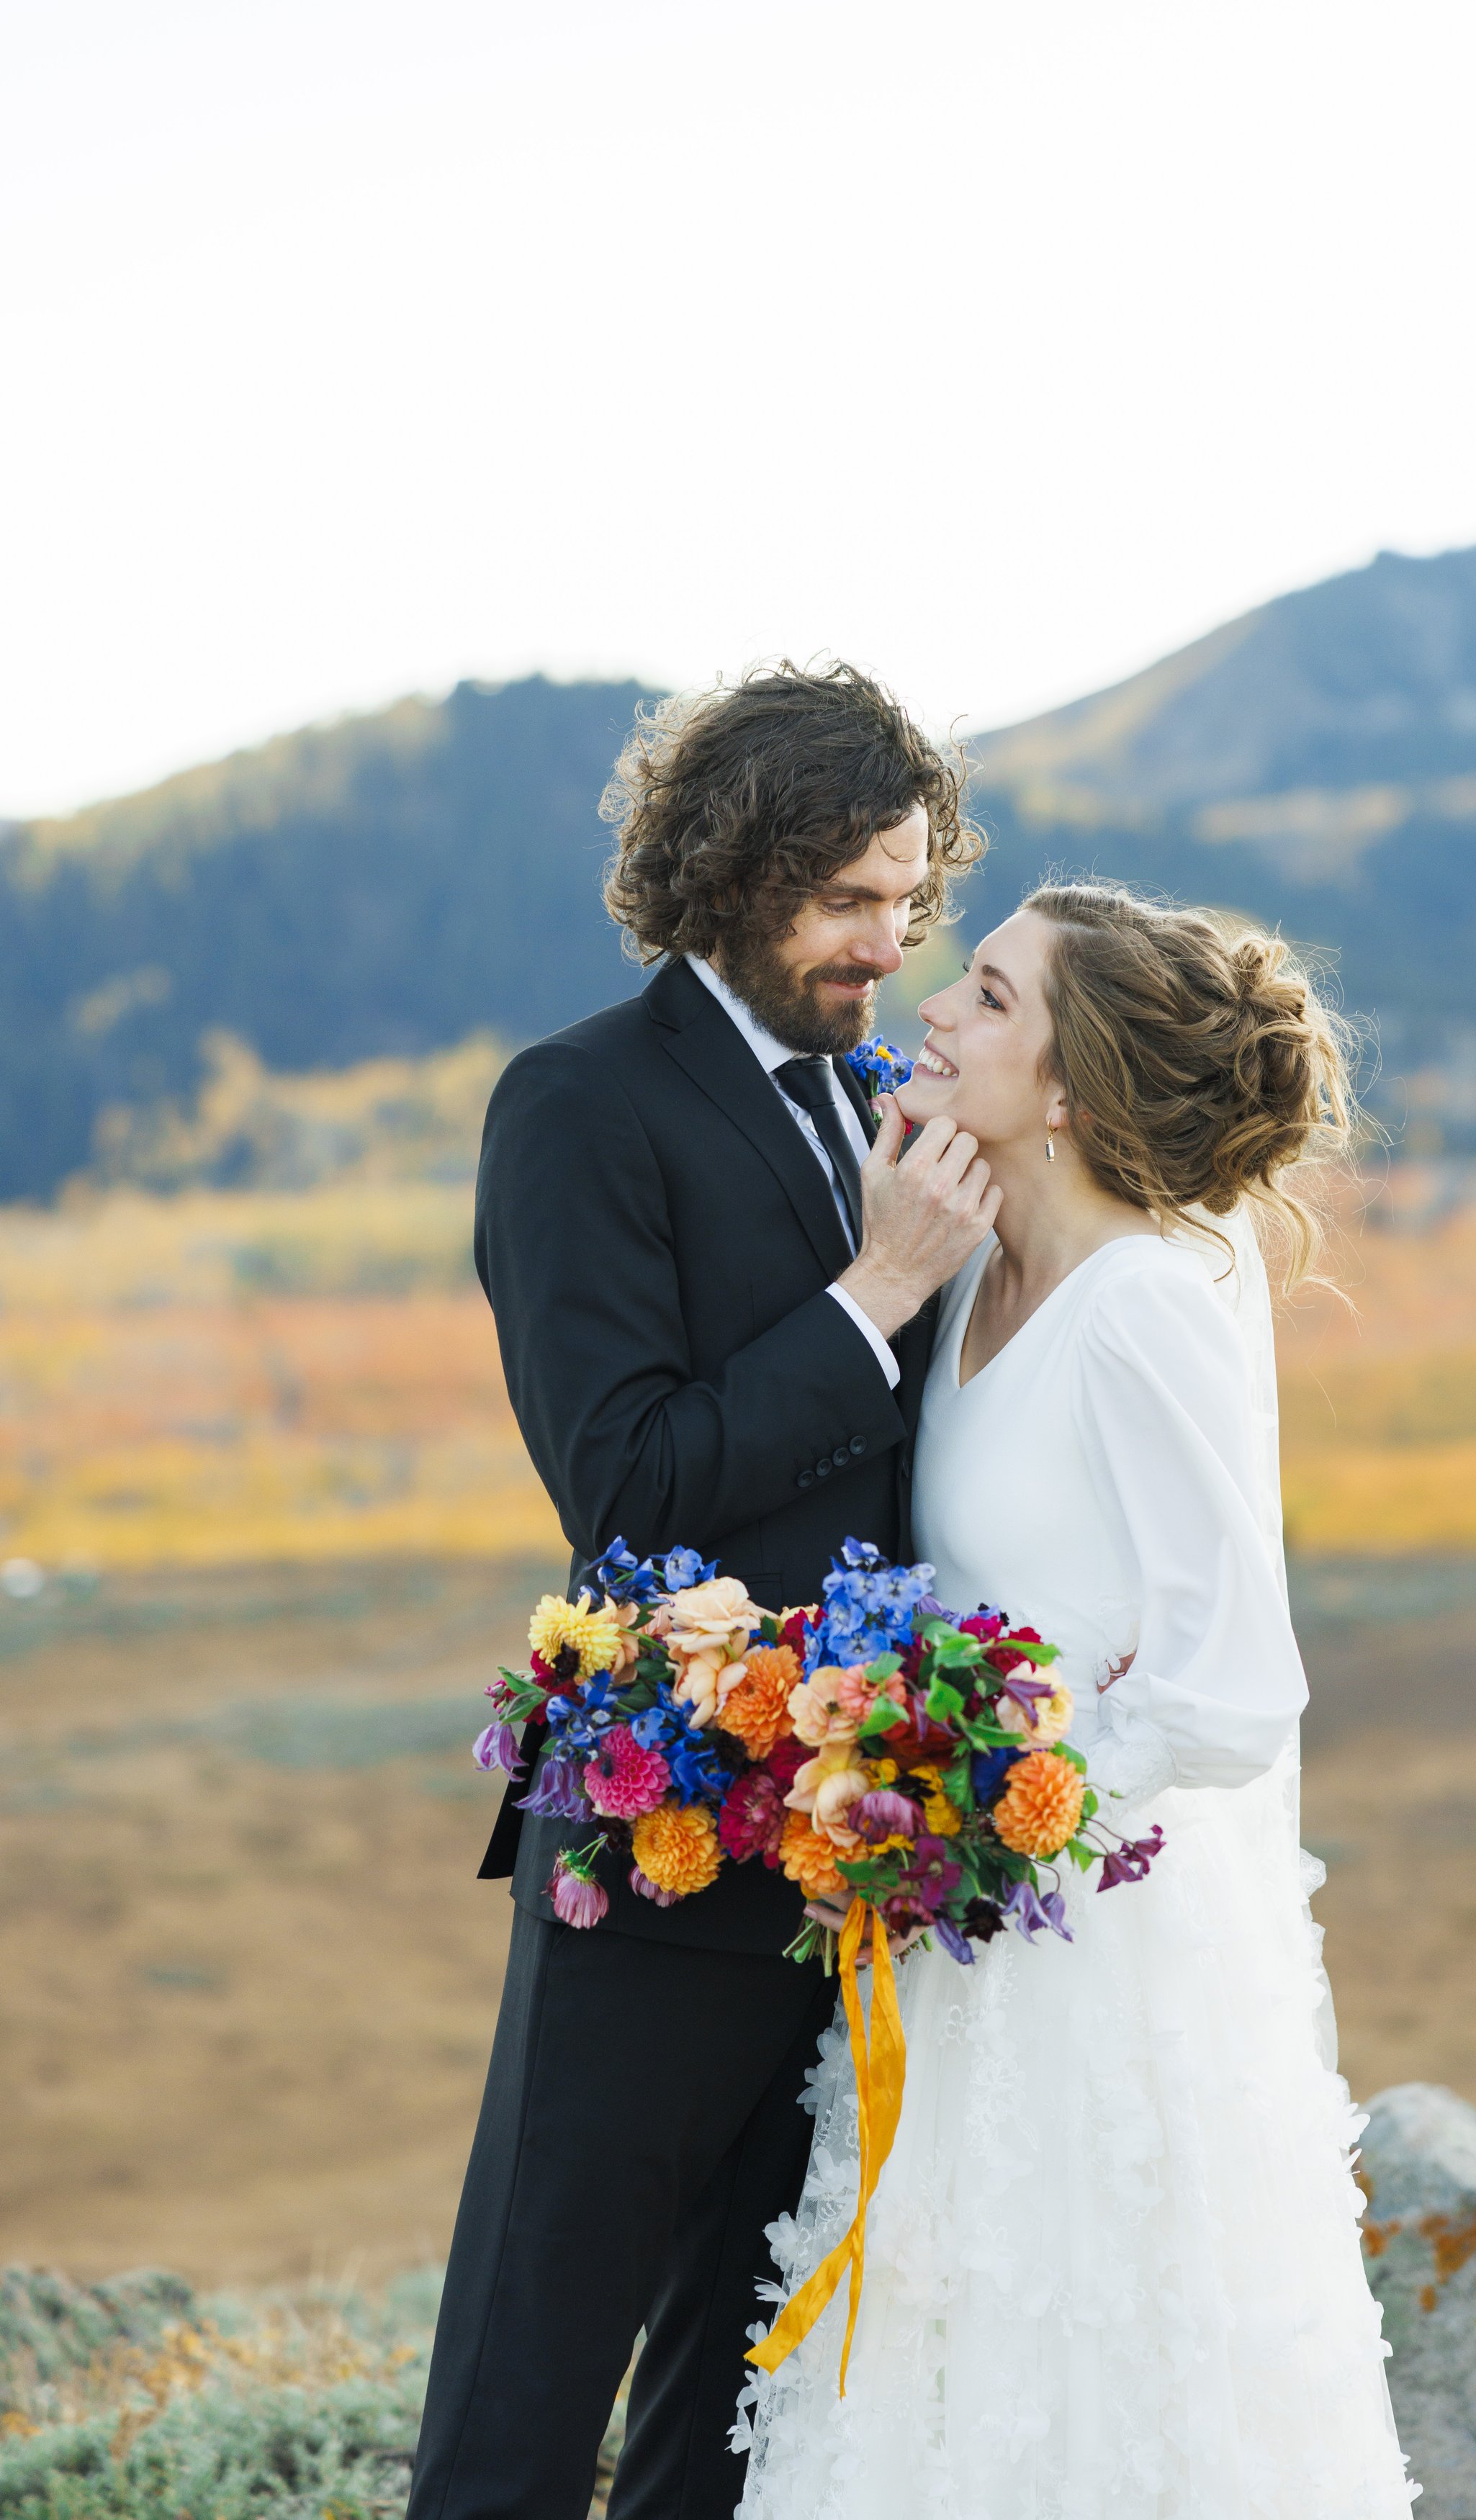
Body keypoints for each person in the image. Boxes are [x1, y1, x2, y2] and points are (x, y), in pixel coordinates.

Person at [738, 883, 1418, 2518]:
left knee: (1105, 2384)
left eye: (984, 994)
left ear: (1059, 1089)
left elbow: (1235, 1691)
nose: (935, 1006)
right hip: (957, 1956)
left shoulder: (1142, 1309)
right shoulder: (971, 1276)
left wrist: (995, 1816)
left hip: (1095, 1941)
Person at [406, 663, 1002, 2520]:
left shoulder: (872, 1094)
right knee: (534, 2347)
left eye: (908, 901)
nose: (883, 945)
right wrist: (874, 1296)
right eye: (841, 902)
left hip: (850, 1833)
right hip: (655, 1837)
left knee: (745, 2380)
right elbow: (628, 1480)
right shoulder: (576, 1104)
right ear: (724, 876)